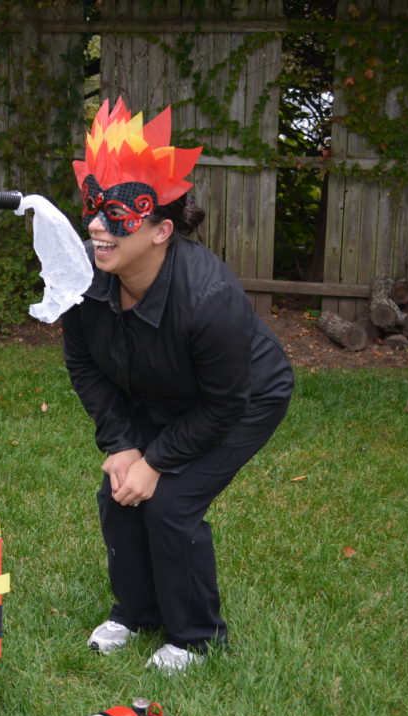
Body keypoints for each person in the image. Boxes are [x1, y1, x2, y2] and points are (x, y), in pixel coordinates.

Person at [61, 98, 294, 673]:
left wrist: (158, 460)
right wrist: (121, 445)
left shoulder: (209, 300)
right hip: (160, 391)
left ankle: (196, 637)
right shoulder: (81, 280)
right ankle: (136, 612)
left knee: (168, 503)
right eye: (94, 207)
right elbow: (85, 365)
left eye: (118, 214)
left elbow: (223, 404)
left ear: (163, 229)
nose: (96, 225)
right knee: (118, 494)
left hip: (240, 399)